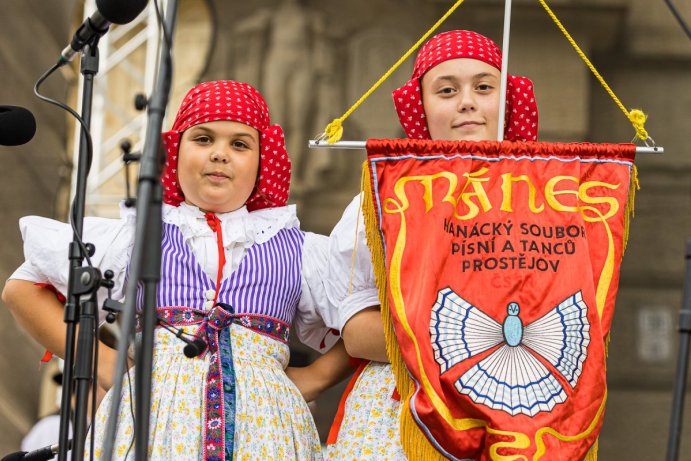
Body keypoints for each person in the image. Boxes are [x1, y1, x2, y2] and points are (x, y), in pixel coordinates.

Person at [2, 80, 343, 460]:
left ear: (264, 162)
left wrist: (316, 377)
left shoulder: (298, 249)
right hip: (152, 421)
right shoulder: (138, 235)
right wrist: (105, 364)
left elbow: (369, 308)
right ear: (175, 151)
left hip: (266, 429)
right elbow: (22, 288)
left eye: (240, 144)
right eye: (203, 139)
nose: (219, 154)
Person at [323, 30, 539, 460]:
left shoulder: (548, 201)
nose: (466, 101)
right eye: (446, 90)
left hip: (515, 415)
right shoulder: (381, 199)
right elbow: (358, 334)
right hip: (399, 418)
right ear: (419, 106)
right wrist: (472, 339)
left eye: (483, 87)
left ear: (507, 101)